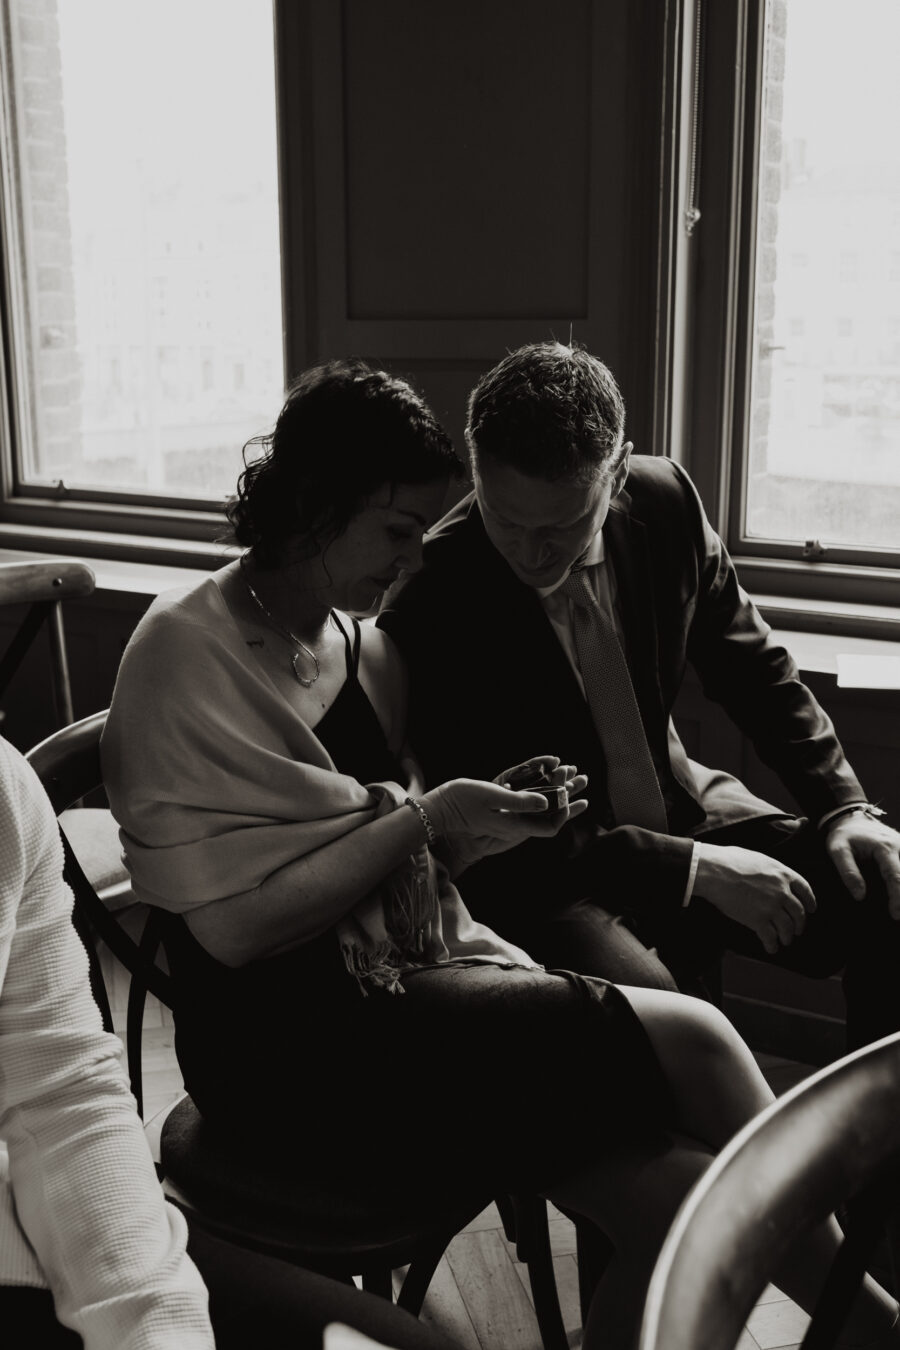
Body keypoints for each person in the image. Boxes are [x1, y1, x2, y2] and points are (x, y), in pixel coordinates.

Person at [101, 359, 900, 1350]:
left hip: (409, 972)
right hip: (289, 1038)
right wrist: (433, 820)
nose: (413, 557)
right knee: (692, 1040)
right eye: (396, 532)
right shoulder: (189, 648)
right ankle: (873, 1323)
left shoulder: (365, 649)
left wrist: (479, 823)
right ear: (315, 505)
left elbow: (403, 860)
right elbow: (232, 930)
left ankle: (866, 1311)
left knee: (688, 1198)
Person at [378, 341, 900, 1051]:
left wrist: (843, 808)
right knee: (682, 1037)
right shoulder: (430, 598)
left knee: (888, 890)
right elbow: (502, 835)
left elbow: (756, 669)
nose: (532, 554)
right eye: (506, 520)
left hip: (683, 807)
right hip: (552, 872)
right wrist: (693, 870)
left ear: (619, 469)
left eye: (561, 527)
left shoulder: (667, 501)